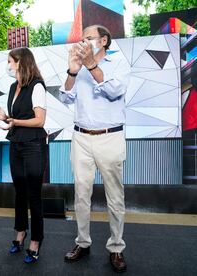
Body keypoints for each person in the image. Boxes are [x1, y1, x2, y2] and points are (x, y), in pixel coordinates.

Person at [58, 25, 130, 273]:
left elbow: (114, 91)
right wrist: (72, 70)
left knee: (114, 196)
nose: (83, 42)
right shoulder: (79, 66)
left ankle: (116, 248)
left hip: (110, 136)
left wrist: (90, 65)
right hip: (81, 138)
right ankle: (83, 243)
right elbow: (65, 98)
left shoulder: (119, 63)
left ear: (103, 40)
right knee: (81, 194)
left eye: (88, 38)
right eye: (82, 39)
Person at [0, 47, 47, 263]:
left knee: (33, 195)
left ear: (21, 62)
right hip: (16, 144)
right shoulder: (14, 86)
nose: (8, 66)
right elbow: (16, 118)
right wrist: (4, 117)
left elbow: (39, 120)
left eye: (10, 62)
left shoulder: (37, 86)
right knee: (20, 193)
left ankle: (36, 240)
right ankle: (20, 233)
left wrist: (14, 121)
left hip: (34, 145)